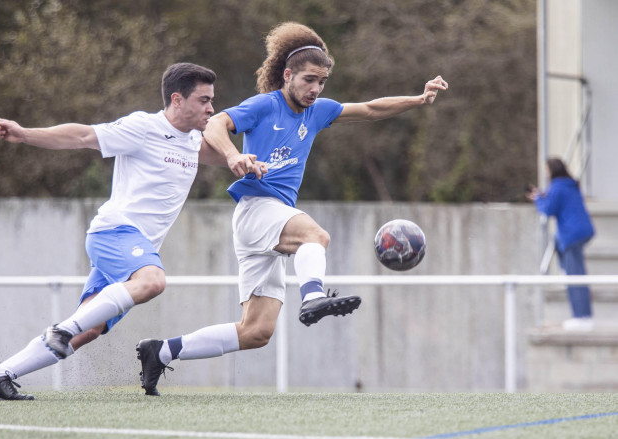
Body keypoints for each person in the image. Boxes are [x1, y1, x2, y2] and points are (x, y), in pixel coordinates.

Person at [137, 22, 448, 396]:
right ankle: (313, 295)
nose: (316, 89)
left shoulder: (317, 112)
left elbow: (369, 109)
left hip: (269, 221)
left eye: (322, 81)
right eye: (309, 79)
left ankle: (162, 351)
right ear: (288, 76)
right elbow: (217, 124)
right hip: (257, 210)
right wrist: (234, 155)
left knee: (256, 332)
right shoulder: (265, 105)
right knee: (316, 236)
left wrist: (418, 99)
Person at [0, 63, 265, 400]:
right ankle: (62, 329)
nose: (211, 109)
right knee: (152, 281)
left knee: (90, 329)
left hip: (132, 248)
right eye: (204, 100)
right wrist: (24, 133)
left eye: (212, 100)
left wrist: (250, 162)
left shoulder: (193, 143)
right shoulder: (143, 127)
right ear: (177, 99)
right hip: (114, 233)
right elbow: (82, 135)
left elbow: (228, 158)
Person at [527, 157, 595, 330]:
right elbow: (557, 202)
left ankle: (582, 317)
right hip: (580, 231)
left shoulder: (557, 187)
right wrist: (543, 195)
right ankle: (564, 267)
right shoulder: (569, 184)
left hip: (572, 234)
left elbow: (548, 209)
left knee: (575, 277)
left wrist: (537, 199)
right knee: (559, 245)